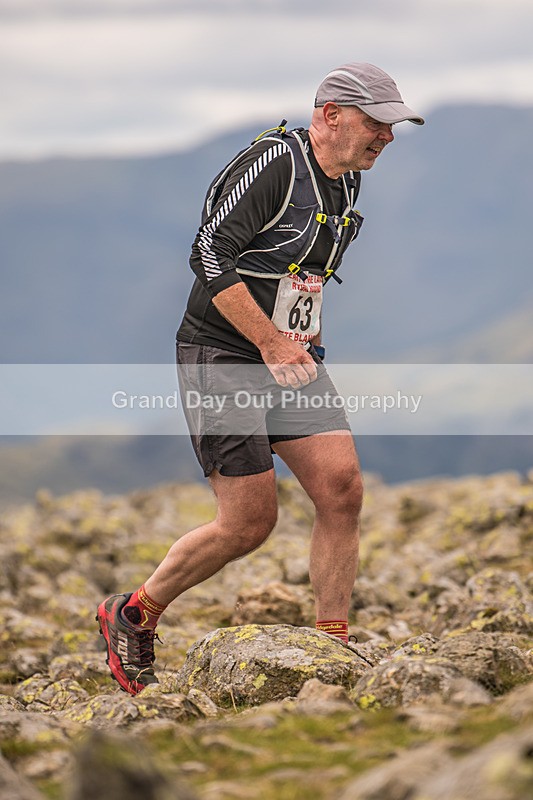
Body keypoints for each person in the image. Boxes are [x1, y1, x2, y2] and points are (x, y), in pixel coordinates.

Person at [97, 63, 424, 695]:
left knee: (342, 489)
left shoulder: (347, 180)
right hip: (223, 354)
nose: (387, 136)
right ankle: (134, 612)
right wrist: (271, 342)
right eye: (377, 123)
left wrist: (305, 336)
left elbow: (304, 272)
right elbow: (209, 252)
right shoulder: (275, 162)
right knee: (249, 523)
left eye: (393, 126)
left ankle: (332, 646)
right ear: (331, 115)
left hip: (289, 357)